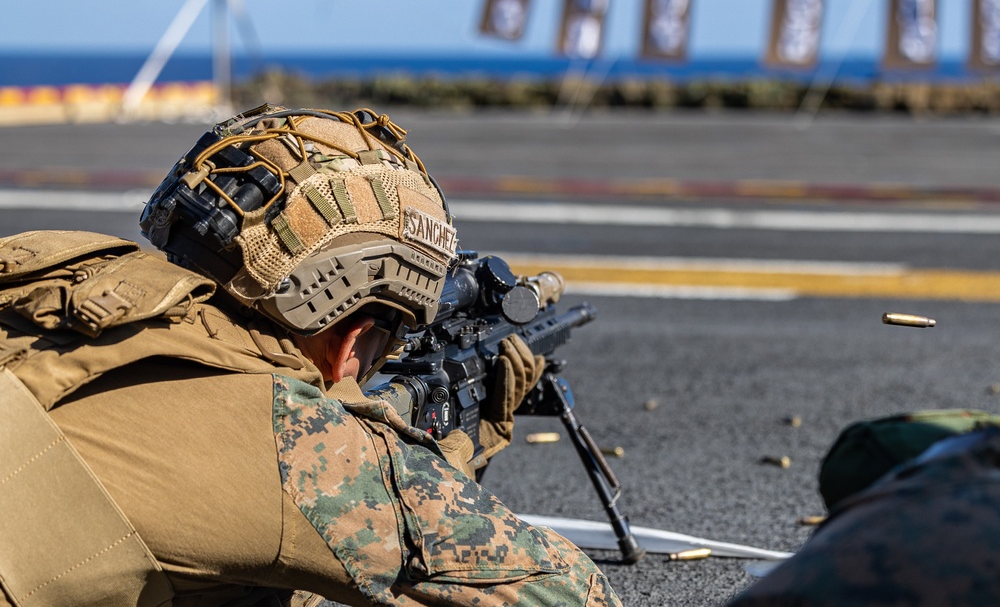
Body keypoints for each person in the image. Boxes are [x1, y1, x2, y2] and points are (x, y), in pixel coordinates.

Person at [0, 105, 621, 606]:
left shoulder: (40, 284)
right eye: (391, 341)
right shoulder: (290, 439)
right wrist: (441, 455)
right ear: (354, 338)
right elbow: (568, 590)